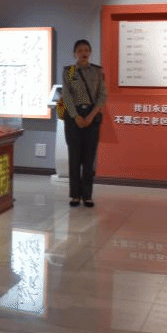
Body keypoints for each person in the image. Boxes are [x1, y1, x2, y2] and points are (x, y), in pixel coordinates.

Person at [62, 39, 107, 207]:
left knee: (89, 158)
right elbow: (66, 96)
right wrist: (76, 116)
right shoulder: (69, 71)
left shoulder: (97, 71)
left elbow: (102, 95)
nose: (84, 53)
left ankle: (87, 195)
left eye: (86, 50)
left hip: (92, 116)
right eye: (80, 50)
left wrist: (91, 116)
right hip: (73, 117)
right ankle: (75, 195)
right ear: (75, 53)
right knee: (74, 157)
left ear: (90, 52)